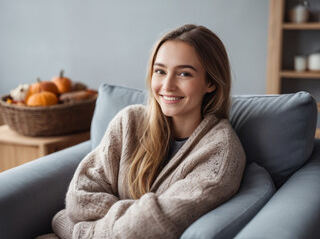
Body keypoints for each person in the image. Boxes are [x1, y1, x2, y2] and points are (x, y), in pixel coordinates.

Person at [38, 24, 246, 239]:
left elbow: (153, 225)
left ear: (210, 82)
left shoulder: (220, 152)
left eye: (184, 73)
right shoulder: (129, 121)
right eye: (160, 71)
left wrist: (76, 230)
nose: (167, 85)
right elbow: (80, 196)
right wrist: (131, 216)